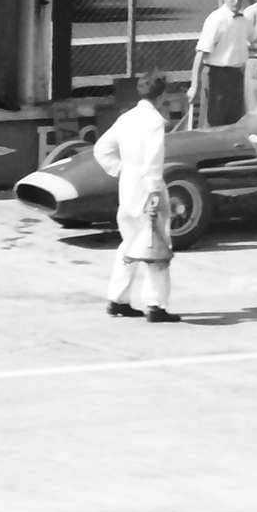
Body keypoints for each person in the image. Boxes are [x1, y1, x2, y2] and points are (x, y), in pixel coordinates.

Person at [95, 72, 181, 323]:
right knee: (157, 243)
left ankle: (117, 299)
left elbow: (102, 149)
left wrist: (122, 170)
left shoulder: (126, 118)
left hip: (128, 186)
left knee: (129, 243)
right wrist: (154, 193)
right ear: (162, 96)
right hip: (147, 188)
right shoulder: (155, 122)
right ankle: (155, 305)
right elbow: (154, 162)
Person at [190, 0, 253, 126]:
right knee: (213, 122)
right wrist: (194, 86)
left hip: (236, 75)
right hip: (216, 75)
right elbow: (200, 53)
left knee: (234, 122)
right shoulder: (216, 19)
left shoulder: (243, 20)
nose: (236, 1)